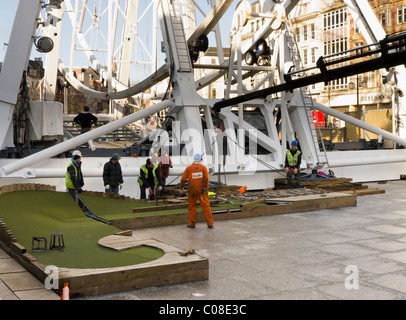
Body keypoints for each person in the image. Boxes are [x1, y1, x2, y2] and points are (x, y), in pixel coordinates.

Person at [179, 154, 214, 229]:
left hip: (192, 190)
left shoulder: (189, 168)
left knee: (192, 207)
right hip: (202, 190)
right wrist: (205, 188)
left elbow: (183, 179)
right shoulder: (204, 168)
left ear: (194, 160)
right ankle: (210, 224)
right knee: (206, 206)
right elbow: (206, 179)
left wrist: (181, 187)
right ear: (201, 160)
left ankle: (191, 224)